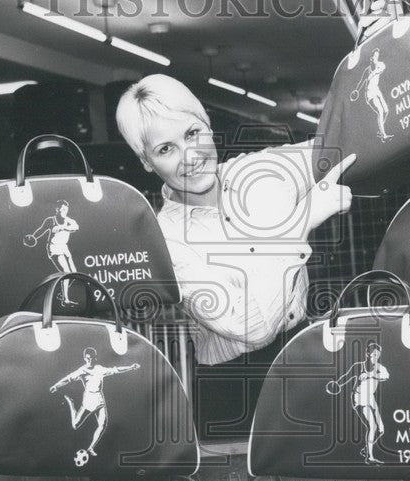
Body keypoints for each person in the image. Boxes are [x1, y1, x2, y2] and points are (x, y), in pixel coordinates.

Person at [116, 74, 355, 438]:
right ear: (146, 161)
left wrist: (366, 67)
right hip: (235, 390)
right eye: (165, 149)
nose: (190, 156)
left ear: (208, 127)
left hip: (304, 358)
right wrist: (301, 222)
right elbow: (252, 328)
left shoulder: (260, 173)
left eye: (192, 133)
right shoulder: (165, 241)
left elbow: (343, 143)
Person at [49, 347, 140, 461]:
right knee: (75, 425)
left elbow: (115, 370)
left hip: (99, 399)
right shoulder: (82, 371)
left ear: (95, 358)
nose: (90, 360)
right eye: (88, 358)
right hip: (88, 400)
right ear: (84, 358)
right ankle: (71, 404)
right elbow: (68, 379)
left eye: (92, 358)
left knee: (103, 424)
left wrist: (131, 367)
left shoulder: (99, 369)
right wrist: (56, 386)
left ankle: (91, 448)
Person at [326, 341, 390, 464]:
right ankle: (370, 458)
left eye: (378, 355)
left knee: (381, 429)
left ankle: (366, 449)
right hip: (359, 399)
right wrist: (337, 384)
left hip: (370, 398)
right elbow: (346, 377)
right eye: (374, 355)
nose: (376, 358)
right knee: (372, 426)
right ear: (367, 354)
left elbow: (386, 376)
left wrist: (370, 376)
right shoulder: (358, 367)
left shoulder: (379, 368)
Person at [24, 199, 80, 305]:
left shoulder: (68, 221)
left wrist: (62, 227)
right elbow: (41, 230)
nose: (65, 212)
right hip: (54, 248)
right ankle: (65, 300)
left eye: (66, 210)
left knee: (75, 274)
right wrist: (33, 237)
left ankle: (61, 294)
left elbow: (76, 227)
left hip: (64, 248)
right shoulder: (50, 220)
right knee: (66, 272)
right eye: (63, 210)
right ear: (57, 209)